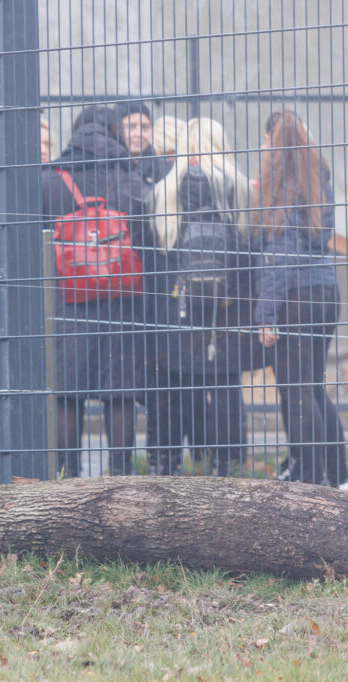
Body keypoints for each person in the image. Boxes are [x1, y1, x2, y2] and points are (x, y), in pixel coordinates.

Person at [44, 106, 156, 477]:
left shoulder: (51, 176)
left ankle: (67, 477)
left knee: (67, 391)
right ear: (114, 131)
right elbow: (147, 237)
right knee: (119, 390)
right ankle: (120, 476)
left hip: (67, 302)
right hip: (121, 302)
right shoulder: (129, 174)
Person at [149, 117, 252, 476]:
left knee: (183, 381)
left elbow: (162, 247)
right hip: (228, 303)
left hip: (183, 301)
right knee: (225, 383)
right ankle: (225, 464)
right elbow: (247, 244)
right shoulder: (238, 185)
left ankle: (169, 463)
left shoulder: (168, 186)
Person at [251, 109, 346, 487]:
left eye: (264, 140)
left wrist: (267, 316)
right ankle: (337, 474)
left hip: (297, 298)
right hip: (326, 292)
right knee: (311, 384)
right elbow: (320, 239)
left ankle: (308, 478)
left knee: (297, 387)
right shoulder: (317, 180)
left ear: (273, 143)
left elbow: (279, 259)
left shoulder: (282, 187)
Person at [115, 101, 171, 184]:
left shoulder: (166, 170)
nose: (139, 134)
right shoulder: (105, 169)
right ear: (116, 129)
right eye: (131, 127)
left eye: (145, 127)